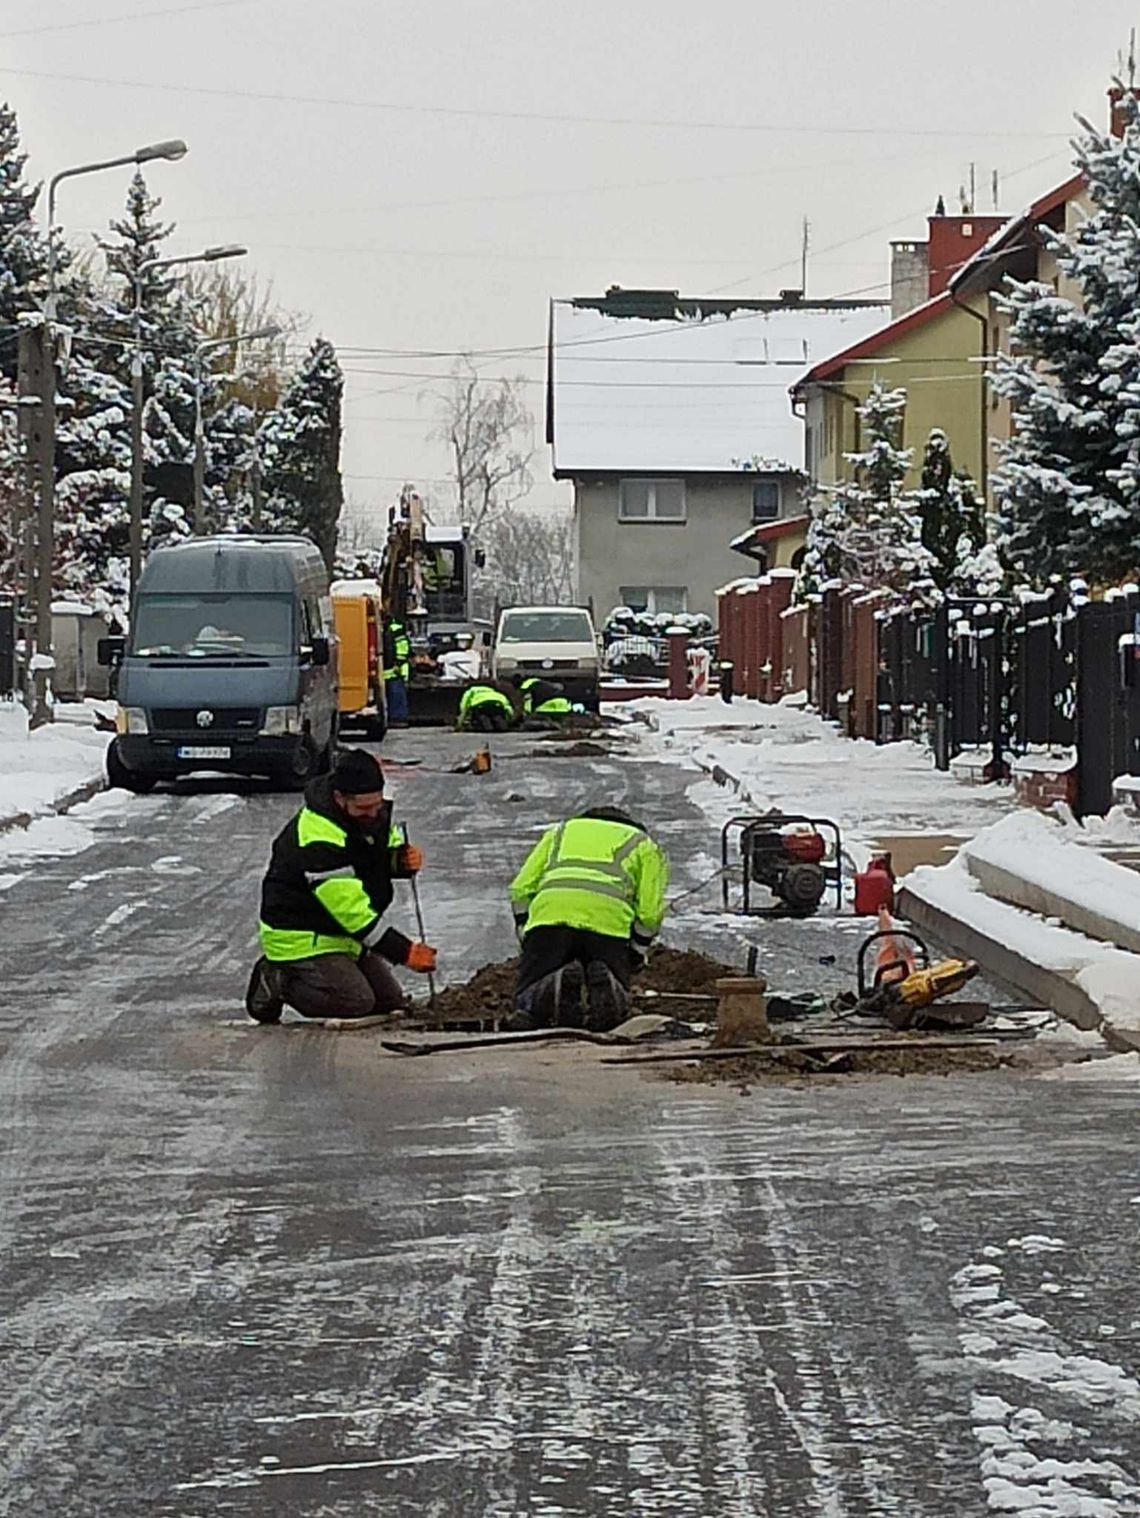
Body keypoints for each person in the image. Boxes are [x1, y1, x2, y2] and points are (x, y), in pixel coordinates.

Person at [245, 748, 437, 1023]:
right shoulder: (318, 838)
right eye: (364, 809)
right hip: (302, 936)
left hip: (341, 934)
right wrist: (405, 951)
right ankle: (278, 978)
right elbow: (351, 913)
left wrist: (399, 860)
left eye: (377, 806)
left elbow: (376, 851)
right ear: (339, 798)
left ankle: (331, 970)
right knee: (355, 1001)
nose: (373, 814)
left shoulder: (366, 813)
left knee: (389, 1002)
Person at [508, 806, 669, 1031]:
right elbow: (650, 913)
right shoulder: (644, 844)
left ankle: (547, 992)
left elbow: (520, 888)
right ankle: (610, 992)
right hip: (608, 927)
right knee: (618, 993)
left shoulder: (560, 831)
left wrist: (525, 930)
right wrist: (636, 952)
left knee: (529, 994)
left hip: (551, 917)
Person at [382, 610, 411, 726]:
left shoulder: (395, 628)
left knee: (396, 691)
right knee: (393, 692)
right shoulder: (387, 628)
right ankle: (393, 716)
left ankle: (398, 717)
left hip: (394, 669)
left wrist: (398, 663)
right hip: (386, 668)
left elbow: (402, 647)